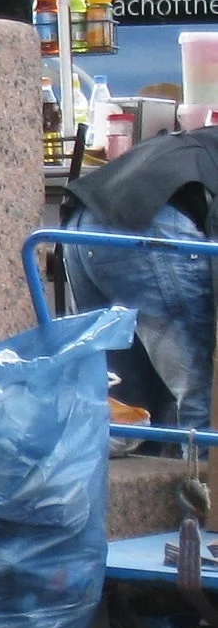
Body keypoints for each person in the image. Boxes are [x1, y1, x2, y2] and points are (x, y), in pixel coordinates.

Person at [62, 124, 218, 440]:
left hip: (82, 223)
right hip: (150, 226)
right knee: (202, 389)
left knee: (124, 399)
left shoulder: (203, 141)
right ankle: (202, 469)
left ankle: (121, 463)